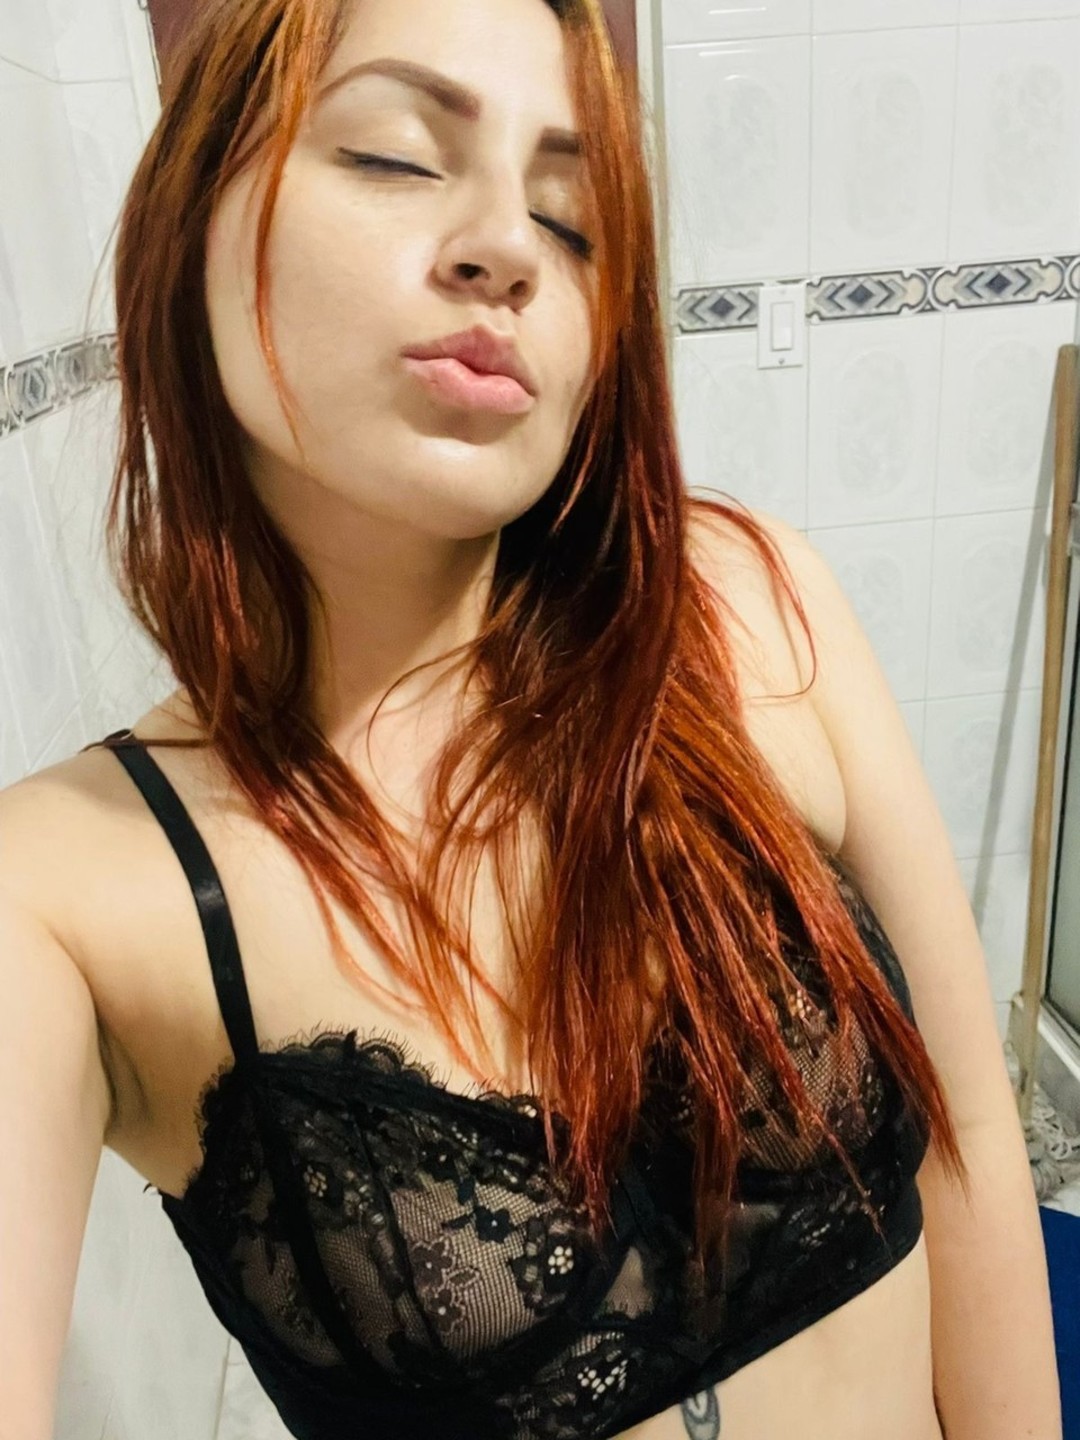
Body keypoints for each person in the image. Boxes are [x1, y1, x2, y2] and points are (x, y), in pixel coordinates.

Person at [0, 0, 1062, 1436]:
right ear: (192, 217)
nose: (507, 244)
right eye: (393, 155)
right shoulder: (64, 892)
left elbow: (969, 1138)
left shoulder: (746, 608)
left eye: (570, 221)